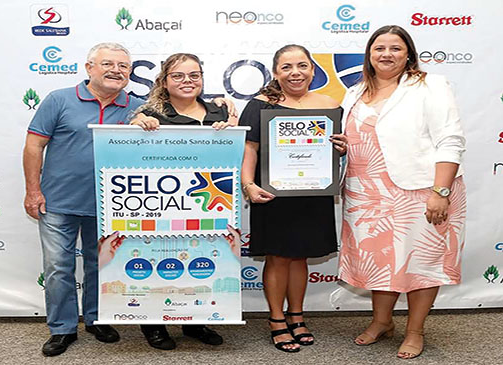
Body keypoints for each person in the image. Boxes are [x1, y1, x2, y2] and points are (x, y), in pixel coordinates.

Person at [336, 25, 466, 359]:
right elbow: (357, 138)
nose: (386, 54)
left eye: (395, 48)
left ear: (408, 53)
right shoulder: (354, 90)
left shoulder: (430, 85)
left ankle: (415, 330)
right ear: (369, 54)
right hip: (366, 192)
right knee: (381, 261)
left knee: (421, 261)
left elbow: (450, 139)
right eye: (379, 48)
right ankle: (382, 322)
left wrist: (441, 190)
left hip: (420, 190)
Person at [23, 43, 144, 356]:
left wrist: (224, 107)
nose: (116, 70)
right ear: (89, 67)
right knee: (58, 268)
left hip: (112, 205)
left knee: (100, 266)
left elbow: (185, 115)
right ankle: (62, 328)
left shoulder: (139, 107)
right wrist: (33, 191)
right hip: (57, 202)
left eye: (123, 66)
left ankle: (96, 318)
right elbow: (34, 146)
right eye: (108, 63)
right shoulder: (60, 99)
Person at [239, 44, 346, 353]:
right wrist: (248, 184)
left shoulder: (330, 104)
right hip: (272, 192)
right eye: (286, 67)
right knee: (278, 256)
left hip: (313, 193)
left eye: (302, 66)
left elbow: (340, 148)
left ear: (313, 70)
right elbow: (250, 148)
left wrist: (341, 148)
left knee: (300, 255)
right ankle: (276, 320)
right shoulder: (259, 105)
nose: (295, 73)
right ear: (276, 72)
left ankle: (296, 316)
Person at [130, 52, 237, 350]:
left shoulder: (218, 112)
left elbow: (234, 154)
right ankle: (154, 326)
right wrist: (139, 123)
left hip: (207, 202)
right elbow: (130, 150)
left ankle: (194, 322)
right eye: (178, 75)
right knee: (159, 261)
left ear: (202, 78)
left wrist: (232, 128)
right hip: (164, 203)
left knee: (200, 261)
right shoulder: (152, 114)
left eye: (194, 75)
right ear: (164, 81)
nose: (187, 81)